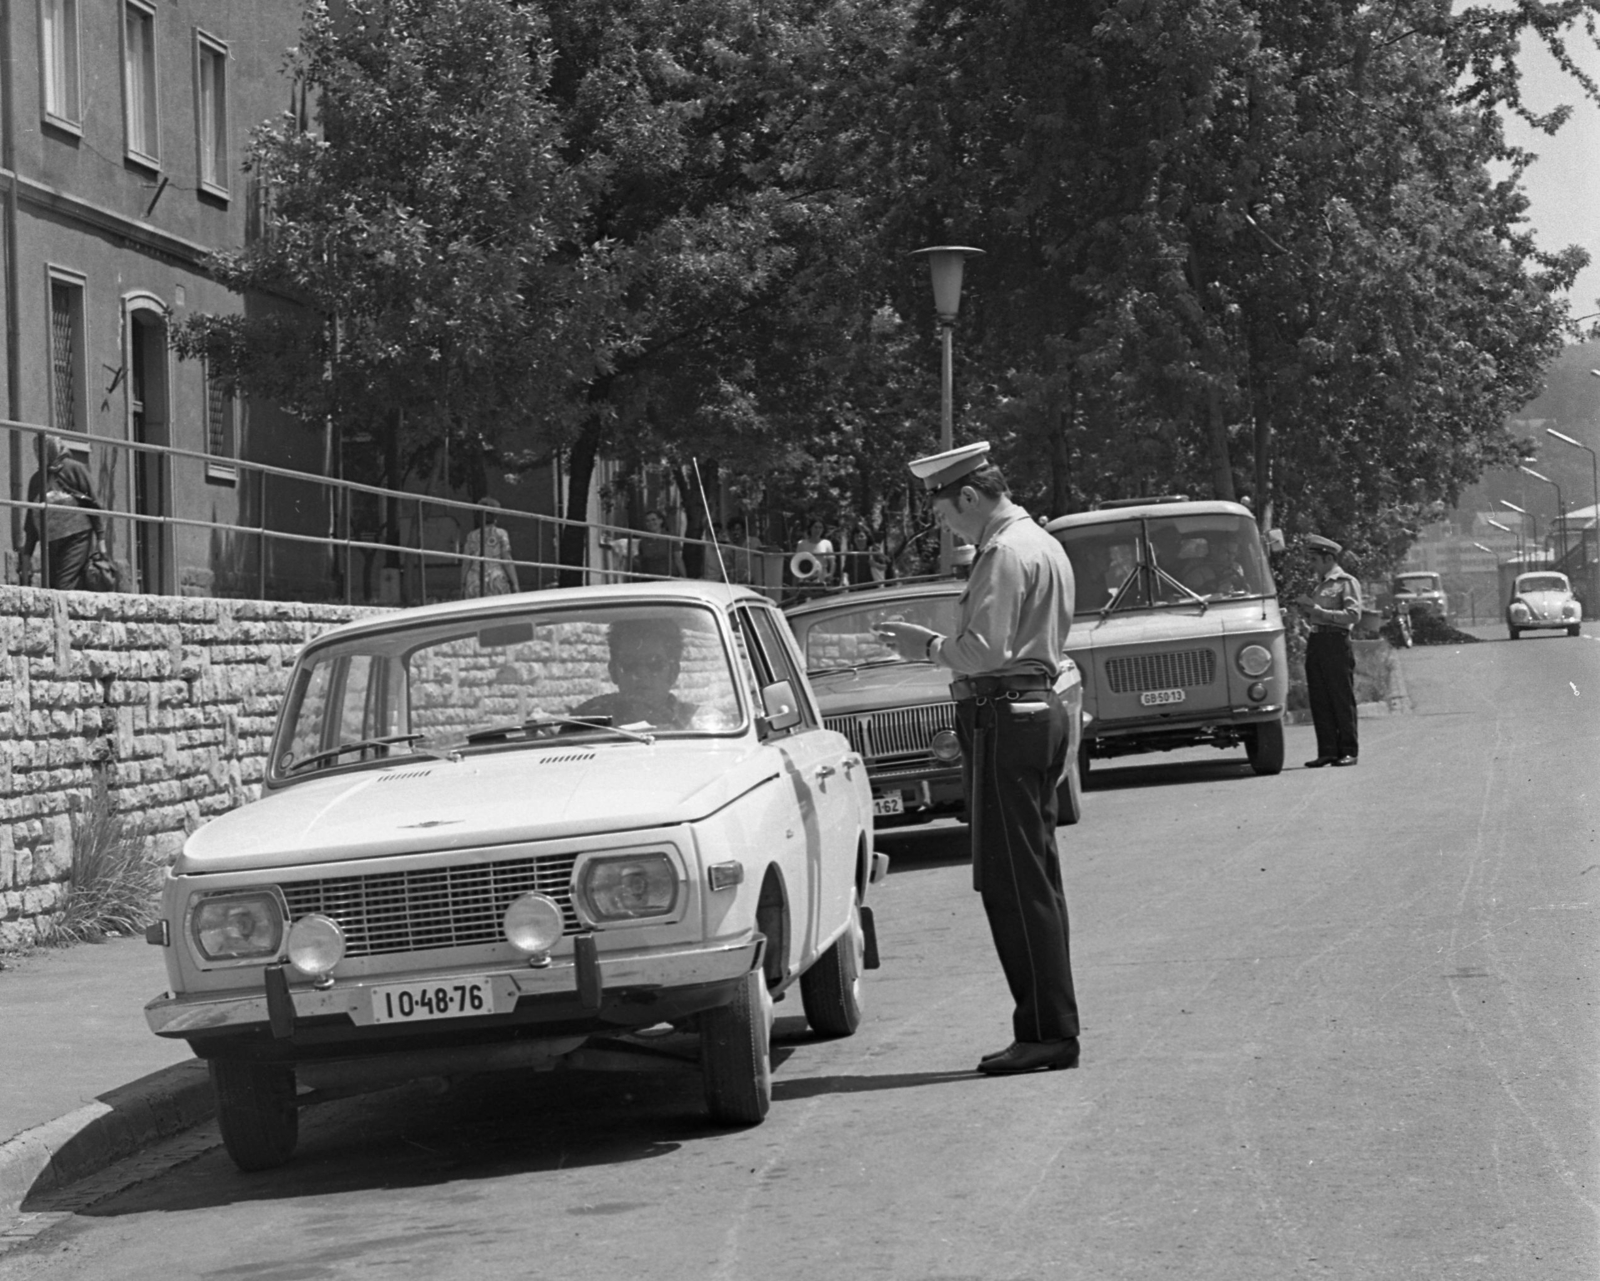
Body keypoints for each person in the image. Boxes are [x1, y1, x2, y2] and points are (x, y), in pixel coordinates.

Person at [876, 441, 1082, 1076]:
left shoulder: (1002, 553)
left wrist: (927, 643)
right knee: (1034, 879)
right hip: (1034, 713)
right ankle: (1049, 1026)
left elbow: (983, 653)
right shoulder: (1040, 542)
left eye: (944, 511)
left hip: (1005, 717)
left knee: (1013, 884)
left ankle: (1047, 1032)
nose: (944, 526)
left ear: (968, 496)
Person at [1294, 534, 1362, 767]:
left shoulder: (1345, 582)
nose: (1311, 565)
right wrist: (1306, 610)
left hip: (1336, 642)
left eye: (1314, 560)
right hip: (1317, 641)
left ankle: (1348, 751)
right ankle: (1327, 750)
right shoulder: (1319, 585)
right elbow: (1315, 614)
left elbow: (1353, 615)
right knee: (1320, 698)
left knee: (1340, 698)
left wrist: (1318, 610)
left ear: (1328, 558)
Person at [571, 616, 697, 729]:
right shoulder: (587, 725)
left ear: (673, 672)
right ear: (613, 671)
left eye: (654, 665)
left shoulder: (698, 725)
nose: (641, 674)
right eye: (629, 664)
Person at [20, 437, 105, 590]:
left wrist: (101, 541)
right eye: (37, 450)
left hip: (77, 536)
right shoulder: (37, 479)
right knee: (51, 586)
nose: (40, 454)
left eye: (43, 449)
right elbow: (32, 519)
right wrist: (27, 557)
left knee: (64, 584)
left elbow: (93, 504)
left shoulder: (75, 469)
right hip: (51, 540)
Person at [461, 498, 520, 598]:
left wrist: (462, 583)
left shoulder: (471, 536)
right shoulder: (501, 534)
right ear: (496, 515)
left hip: (474, 580)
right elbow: (507, 559)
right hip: (496, 579)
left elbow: (467, 562)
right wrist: (515, 584)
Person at [635, 509, 685, 579]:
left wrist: (684, 577)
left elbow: (678, 559)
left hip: (668, 578)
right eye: (647, 521)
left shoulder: (670, 538)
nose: (651, 523)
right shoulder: (643, 541)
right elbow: (642, 561)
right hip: (649, 579)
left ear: (661, 521)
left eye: (653, 520)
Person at [795, 518, 836, 585]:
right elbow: (796, 564)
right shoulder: (801, 544)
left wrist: (830, 575)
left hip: (822, 578)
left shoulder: (827, 543)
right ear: (810, 528)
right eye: (815, 527)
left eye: (820, 528)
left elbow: (832, 562)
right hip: (805, 578)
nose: (818, 530)